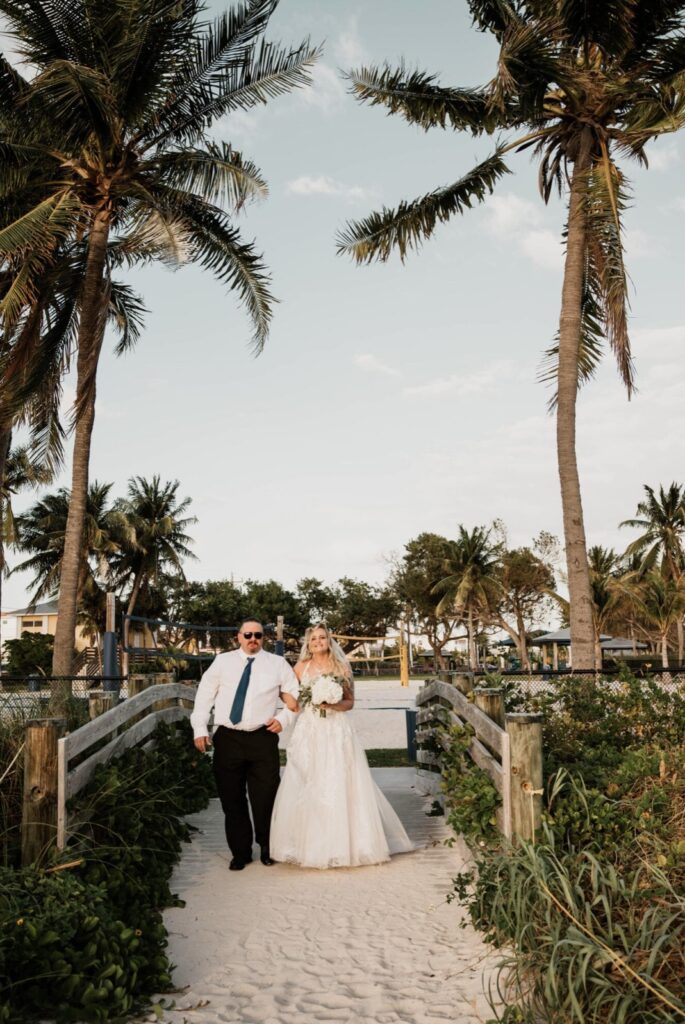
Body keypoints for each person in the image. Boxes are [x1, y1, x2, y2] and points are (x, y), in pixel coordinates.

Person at [269, 623, 414, 869]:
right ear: (308, 643)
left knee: (340, 781)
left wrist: (332, 704)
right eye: (313, 638)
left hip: (336, 729)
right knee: (309, 781)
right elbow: (285, 692)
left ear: (329, 640)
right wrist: (293, 702)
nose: (318, 641)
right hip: (310, 730)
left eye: (322, 637)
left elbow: (350, 702)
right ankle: (309, 845)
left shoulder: (342, 666)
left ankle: (347, 845)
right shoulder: (300, 667)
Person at [190, 618, 299, 871]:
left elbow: (296, 695)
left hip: (263, 737)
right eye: (248, 635)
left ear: (264, 638)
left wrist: (284, 719)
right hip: (228, 737)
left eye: (258, 636)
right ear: (238, 637)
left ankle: (268, 848)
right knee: (233, 800)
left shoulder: (277, 664)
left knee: (266, 797)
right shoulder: (222, 662)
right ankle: (240, 852)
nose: (253, 640)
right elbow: (204, 696)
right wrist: (199, 728)